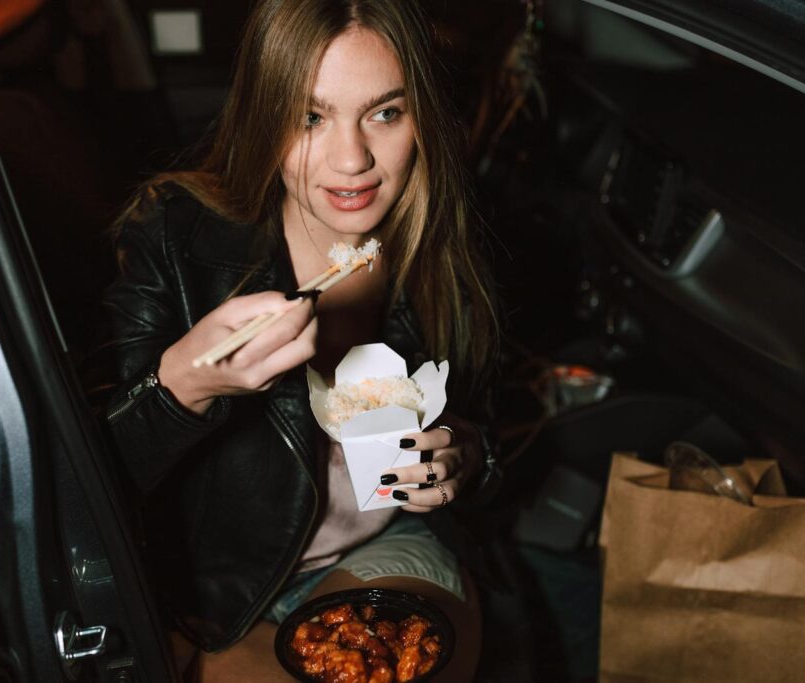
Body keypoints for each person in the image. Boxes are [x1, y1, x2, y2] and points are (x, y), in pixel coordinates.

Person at [87, 0, 501, 679]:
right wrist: (183, 387)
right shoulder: (175, 235)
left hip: (380, 547)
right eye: (311, 117)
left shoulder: (437, 245)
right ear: (264, 117)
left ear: (420, 116)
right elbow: (86, 482)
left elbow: (489, 424)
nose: (352, 159)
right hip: (213, 595)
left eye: (385, 112)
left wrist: (464, 454)